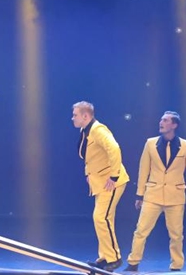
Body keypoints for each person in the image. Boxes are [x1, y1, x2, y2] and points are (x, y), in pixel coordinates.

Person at [123, 111, 186, 273]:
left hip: (175, 196)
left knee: (176, 234)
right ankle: (133, 262)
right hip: (153, 194)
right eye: (161, 120)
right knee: (141, 230)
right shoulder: (150, 143)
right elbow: (143, 170)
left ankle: (176, 266)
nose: (161, 122)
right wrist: (140, 194)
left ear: (174, 125)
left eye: (165, 120)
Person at [72, 101, 129, 271]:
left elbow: (114, 148)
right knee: (103, 219)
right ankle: (105, 257)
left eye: (75, 115)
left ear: (85, 116)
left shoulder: (98, 129)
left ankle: (114, 258)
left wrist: (114, 175)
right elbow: (91, 157)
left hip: (111, 182)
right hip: (101, 182)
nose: (72, 118)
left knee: (101, 217)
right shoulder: (86, 131)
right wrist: (89, 175)